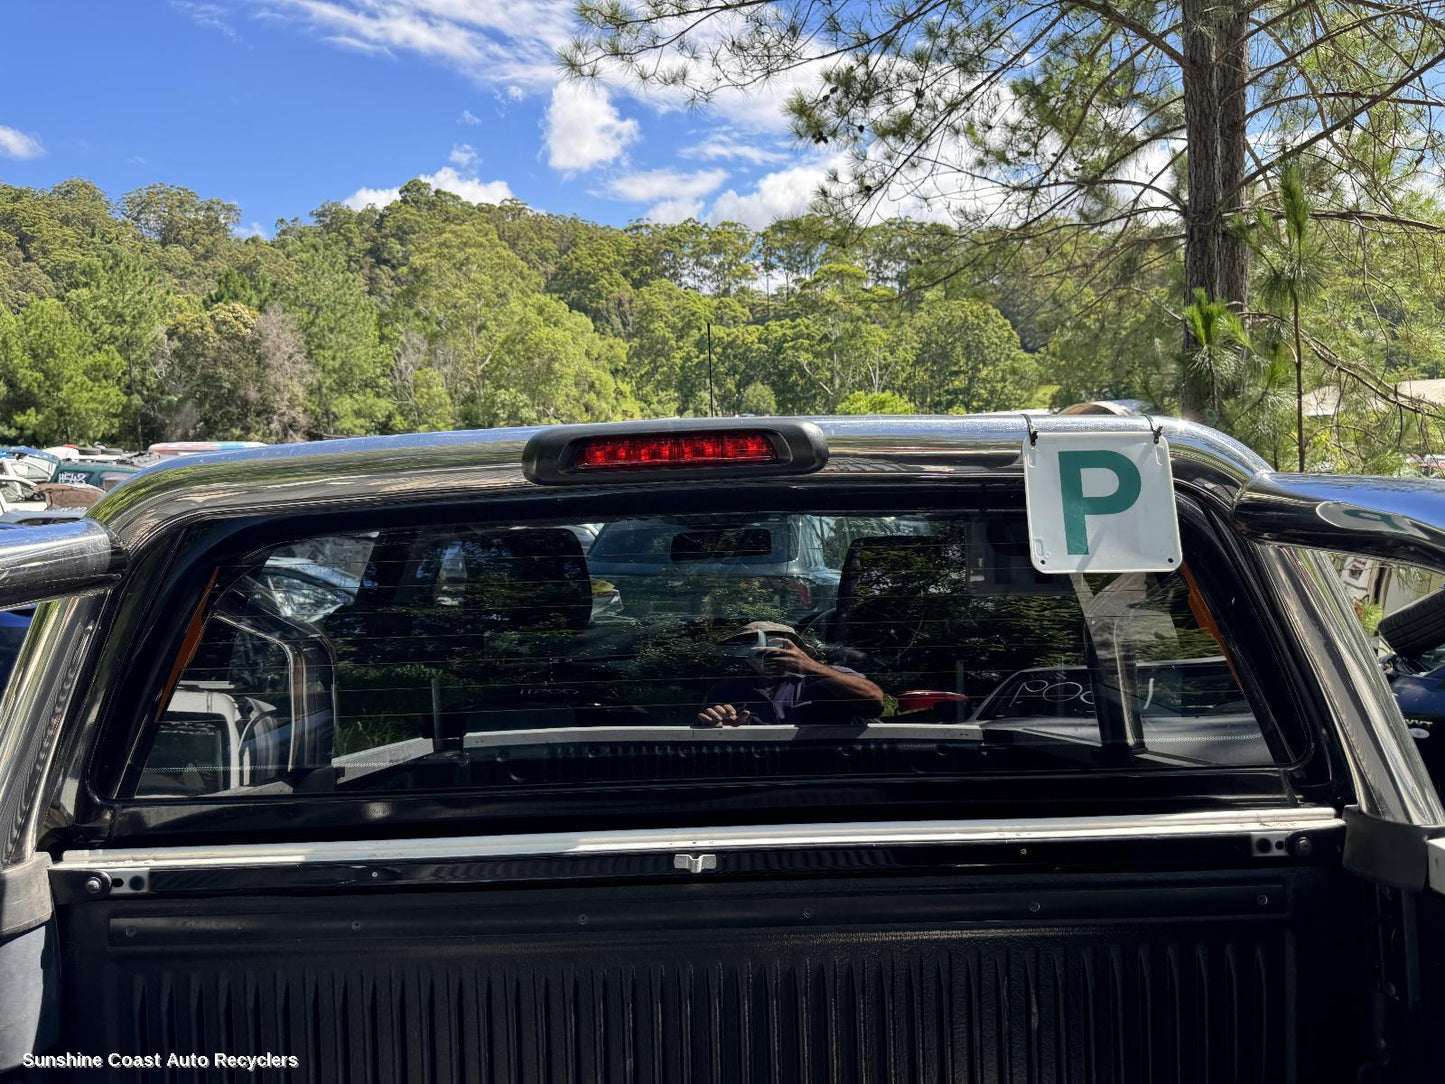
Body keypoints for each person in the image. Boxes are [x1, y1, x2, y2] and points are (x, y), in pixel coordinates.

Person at [697, 620, 885, 727]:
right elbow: (703, 736)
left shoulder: (830, 678)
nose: (769, 657)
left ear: (797, 650)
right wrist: (717, 726)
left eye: (779, 650)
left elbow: (873, 699)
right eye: (757, 652)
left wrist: (810, 666)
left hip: (825, 775)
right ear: (746, 656)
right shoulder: (725, 691)